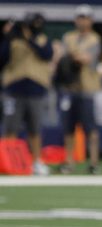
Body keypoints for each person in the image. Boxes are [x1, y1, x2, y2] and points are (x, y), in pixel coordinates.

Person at [0, 12, 53, 176]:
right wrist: (8, 37)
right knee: (11, 128)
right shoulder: (13, 40)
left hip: (36, 90)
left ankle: (36, 161)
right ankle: (9, 162)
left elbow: (46, 55)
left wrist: (28, 40)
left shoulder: (43, 39)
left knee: (35, 129)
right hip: (14, 90)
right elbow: (2, 59)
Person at [59, 4, 102, 174]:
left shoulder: (94, 38)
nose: (83, 21)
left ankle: (94, 162)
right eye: (80, 18)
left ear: (90, 20)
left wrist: (72, 55)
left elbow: (85, 58)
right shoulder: (69, 36)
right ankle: (69, 162)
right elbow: (62, 56)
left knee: (90, 128)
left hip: (87, 88)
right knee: (69, 128)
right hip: (70, 87)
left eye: (86, 18)